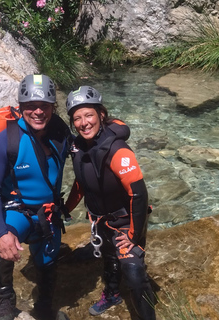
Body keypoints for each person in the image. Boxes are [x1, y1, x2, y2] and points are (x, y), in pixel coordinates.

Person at [0, 74, 72, 320]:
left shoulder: (61, 134)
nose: (38, 112)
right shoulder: (7, 140)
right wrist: (0, 233)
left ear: (53, 107)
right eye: (31, 106)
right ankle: (6, 300)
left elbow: (90, 146)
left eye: (44, 106)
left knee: (48, 263)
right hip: (17, 211)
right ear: (21, 107)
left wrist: (117, 130)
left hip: (48, 213)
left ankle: (43, 306)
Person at [63, 86, 156, 319]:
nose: (84, 123)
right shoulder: (78, 147)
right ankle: (112, 293)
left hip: (125, 219)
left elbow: (139, 194)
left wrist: (134, 234)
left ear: (101, 115)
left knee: (133, 269)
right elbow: (82, 182)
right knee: (109, 257)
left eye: (89, 115)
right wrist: (66, 208)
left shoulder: (117, 149)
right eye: (77, 118)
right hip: (100, 219)